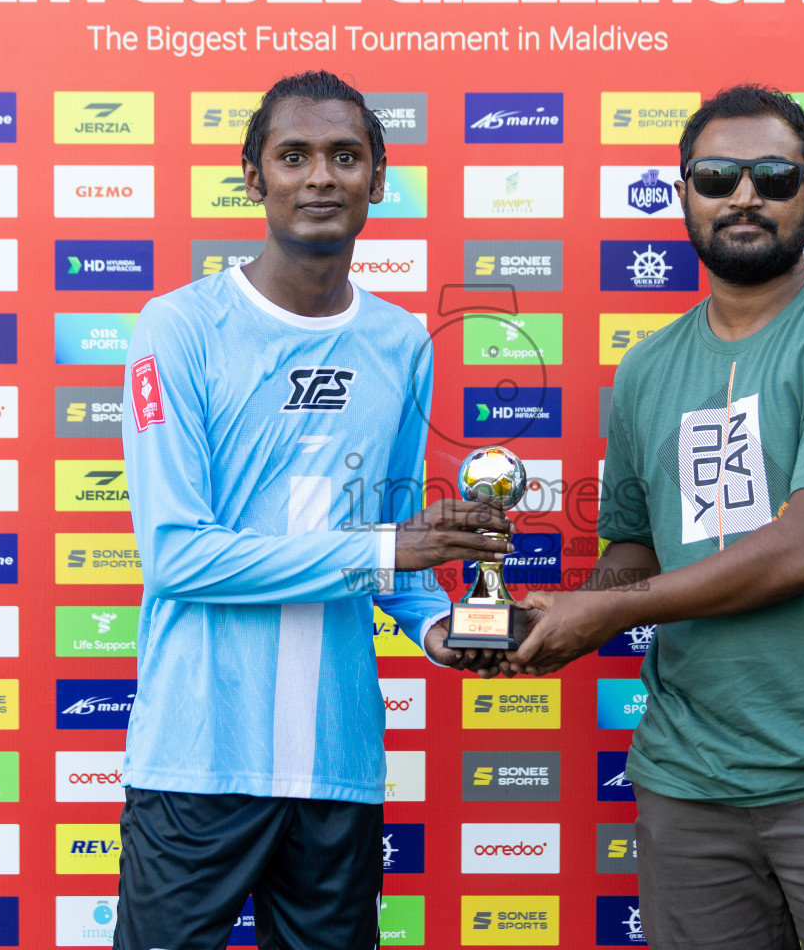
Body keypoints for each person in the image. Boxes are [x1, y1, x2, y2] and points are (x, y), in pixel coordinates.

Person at [512, 85, 804, 949]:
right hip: (690, 782)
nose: (743, 195)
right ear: (683, 193)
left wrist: (600, 612)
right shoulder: (644, 371)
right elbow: (635, 553)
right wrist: (544, 623)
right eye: (717, 175)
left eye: (774, 176)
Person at [115, 70, 510, 950]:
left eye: (344, 155)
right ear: (254, 177)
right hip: (197, 761)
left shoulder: (403, 342)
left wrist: (450, 631)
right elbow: (180, 555)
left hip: (337, 767)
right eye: (293, 156)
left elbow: (398, 548)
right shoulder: (178, 327)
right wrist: (382, 552)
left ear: (379, 177)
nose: (320, 176)